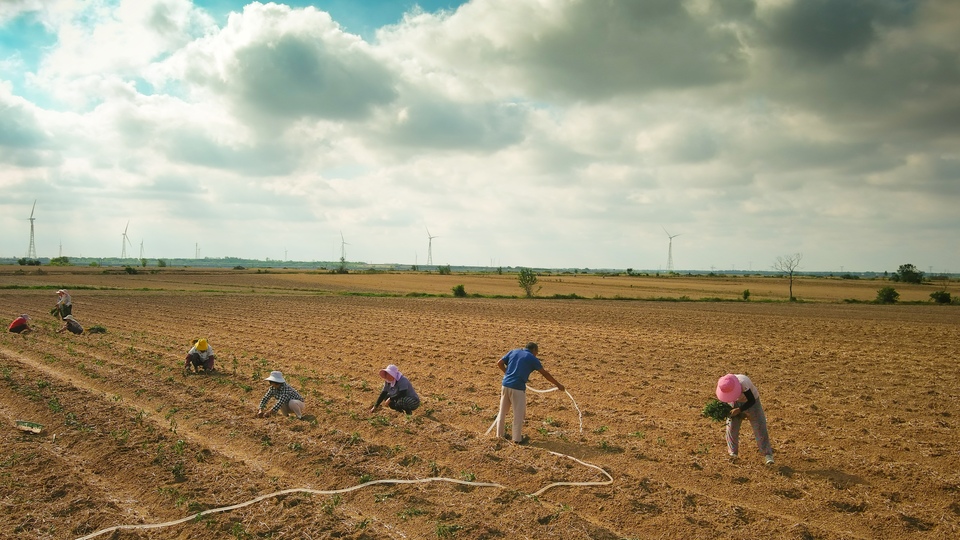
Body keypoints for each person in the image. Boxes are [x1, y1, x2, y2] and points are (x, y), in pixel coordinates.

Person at [495, 342, 564, 444]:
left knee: (502, 412)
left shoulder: (514, 351)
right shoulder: (532, 358)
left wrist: (508, 374)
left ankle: (499, 435)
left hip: (505, 385)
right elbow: (545, 373)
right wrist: (558, 384)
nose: (536, 354)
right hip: (518, 388)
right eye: (537, 352)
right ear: (534, 350)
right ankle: (517, 439)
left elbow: (499, 363)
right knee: (518, 414)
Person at [716, 373, 774, 465]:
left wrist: (740, 410)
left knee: (760, 428)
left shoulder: (743, 383)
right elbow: (724, 399)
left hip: (752, 404)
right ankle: (733, 454)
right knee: (731, 427)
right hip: (735, 403)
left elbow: (751, 400)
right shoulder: (724, 385)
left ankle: (767, 455)